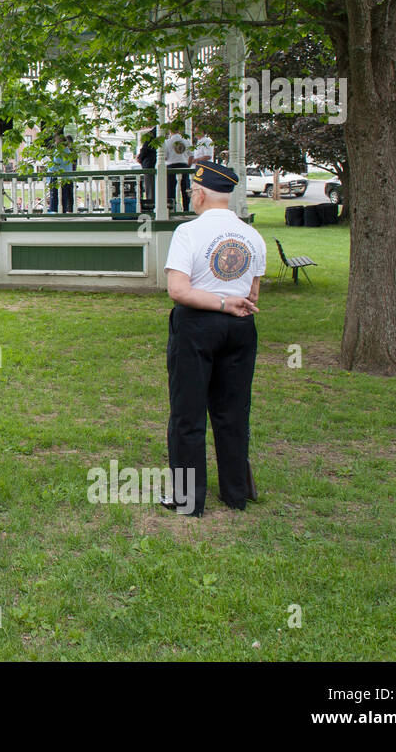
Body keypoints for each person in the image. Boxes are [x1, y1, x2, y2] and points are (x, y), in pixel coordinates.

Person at [162, 161, 265, 517]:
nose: (191, 195)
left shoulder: (188, 233)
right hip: (240, 327)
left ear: (202, 193)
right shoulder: (252, 235)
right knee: (233, 412)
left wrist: (218, 302)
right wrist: (231, 303)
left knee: (188, 414)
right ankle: (236, 492)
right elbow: (253, 293)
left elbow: (178, 290)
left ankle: (189, 500)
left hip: (197, 326)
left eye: (192, 190)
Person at [164, 127, 191, 211]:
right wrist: (188, 166)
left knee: (170, 188)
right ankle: (186, 208)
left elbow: (164, 157)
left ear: (170, 130)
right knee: (185, 188)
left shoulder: (167, 142)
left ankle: (172, 209)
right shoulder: (186, 141)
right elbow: (191, 156)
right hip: (184, 165)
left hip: (171, 166)